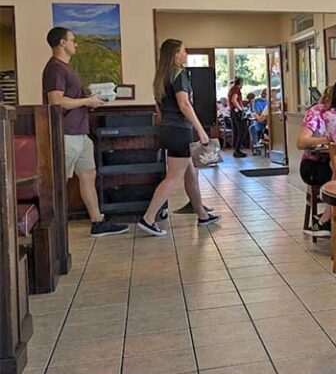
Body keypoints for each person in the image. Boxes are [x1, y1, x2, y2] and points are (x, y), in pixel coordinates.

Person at [42, 27, 128, 237]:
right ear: (62, 43)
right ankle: (52, 228)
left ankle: (97, 222)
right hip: (66, 134)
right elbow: (56, 101)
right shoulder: (55, 68)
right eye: (73, 40)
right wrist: (87, 100)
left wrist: (89, 103)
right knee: (58, 182)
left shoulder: (66, 68)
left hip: (81, 133)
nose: (76, 44)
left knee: (89, 175)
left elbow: (70, 100)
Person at [138, 39, 219, 236]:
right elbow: (184, 104)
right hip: (179, 130)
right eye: (183, 51)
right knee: (173, 177)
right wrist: (200, 130)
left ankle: (202, 214)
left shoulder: (161, 76)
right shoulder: (179, 74)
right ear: (175, 54)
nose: (186, 54)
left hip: (168, 129)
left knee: (191, 172)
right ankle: (148, 218)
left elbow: (160, 108)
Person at [298, 85, 334, 237]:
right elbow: (301, 142)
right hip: (314, 165)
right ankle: (328, 220)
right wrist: (326, 139)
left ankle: (330, 218)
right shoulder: (316, 112)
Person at [228, 77, 248, 157]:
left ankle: (236, 149)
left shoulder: (231, 89)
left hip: (233, 112)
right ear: (240, 83)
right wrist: (240, 110)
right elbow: (234, 100)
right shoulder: (236, 89)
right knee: (242, 131)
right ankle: (237, 149)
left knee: (236, 131)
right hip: (236, 112)